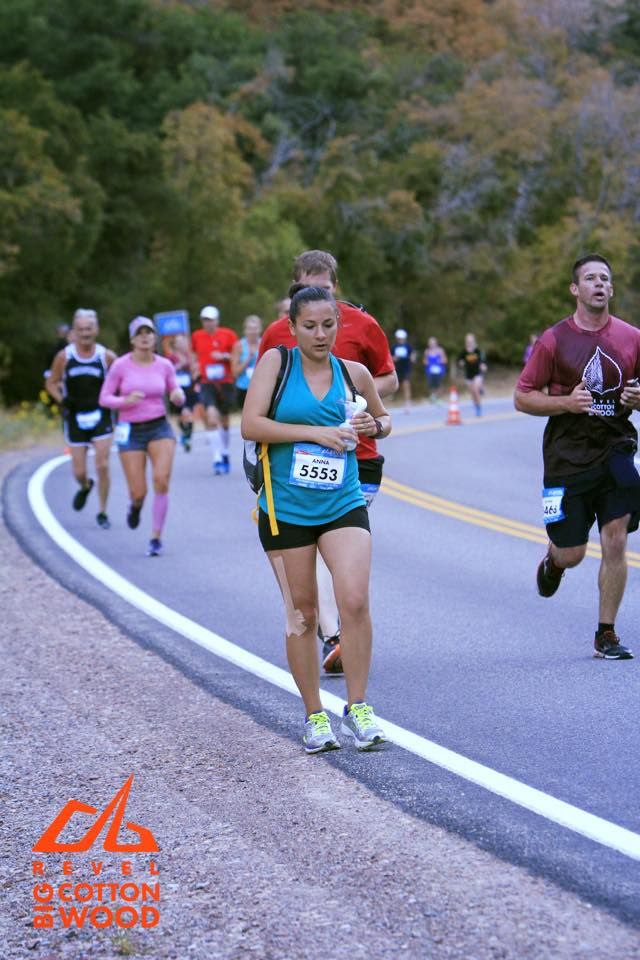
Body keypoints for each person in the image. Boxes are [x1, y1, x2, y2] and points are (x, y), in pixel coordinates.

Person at [242, 285, 392, 753]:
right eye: (310, 326)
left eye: (328, 325)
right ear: (292, 327)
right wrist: (315, 433)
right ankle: (314, 715)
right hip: (286, 506)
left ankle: (359, 706)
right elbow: (250, 425)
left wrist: (374, 426)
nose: (320, 334)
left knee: (354, 600)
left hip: (341, 500)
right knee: (303, 614)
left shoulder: (353, 373)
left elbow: (385, 421)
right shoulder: (277, 364)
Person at [258, 250, 398, 675]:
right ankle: (333, 636)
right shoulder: (276, 339)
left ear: (336, 289)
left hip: (357, 462)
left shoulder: (362, 328)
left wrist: (364, 411)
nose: (320, 331)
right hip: (289, 469)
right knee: (312, 556)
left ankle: (342, 639)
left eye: (322, 286)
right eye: (303, 288)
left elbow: (384, 380)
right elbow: (257, 410)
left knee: (340, 555)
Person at [514, 254, 640, 660]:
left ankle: (606, 632)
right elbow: (522, 396)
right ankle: (554, 561)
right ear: (575, 289)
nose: (599, 284)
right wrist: (567, 403)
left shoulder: (632, 338)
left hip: (616, 449)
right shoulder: (553, 340)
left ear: (612, 289)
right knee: (573, 552)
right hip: (567, 457)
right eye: (590, 278)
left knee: (616, 539)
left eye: (605, 278)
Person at [99, 316, 185, 557]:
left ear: (155, 337)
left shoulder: (164, 365)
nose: (145, 336)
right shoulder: (120, 366)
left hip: (159, 427)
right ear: (132, 339)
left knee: (161, 479)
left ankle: (156, 537)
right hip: (130, 430)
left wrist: (178, 396)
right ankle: (135, 506)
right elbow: (104, 398)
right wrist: (124, 401)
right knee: (139, 491)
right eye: (140, 333)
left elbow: (174, 389)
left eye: (149, 332)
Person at [46, 309, 116, 529]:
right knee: (79, 472)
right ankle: (86, 486)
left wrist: (118, 402)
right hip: (75, 417)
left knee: (102, 464)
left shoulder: (106, 356)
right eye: (80, 330)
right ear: (74, 332)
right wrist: (61, 399)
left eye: (89, 329)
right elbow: (51, 382)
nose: (85, 334)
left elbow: (122, 380)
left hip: (101, 415)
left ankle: (102, 512)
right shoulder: (64, 357)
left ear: (96, 330)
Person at [191, 305, 239, 474]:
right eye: (205, 320)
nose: (208, 323)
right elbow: (194, 357)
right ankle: (217, 457)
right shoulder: (197, 336)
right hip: (207, 382)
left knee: (224, 420)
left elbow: (237, 355)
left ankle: (225, 452)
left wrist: (224, 356)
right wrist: (195, 369)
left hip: (226, 381)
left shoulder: (229, 335)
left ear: (217, 320)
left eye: (210, 319)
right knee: (211, 417)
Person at [164, 333, 200, 451]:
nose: (181, 344)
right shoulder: (170, 357)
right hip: (177, 389)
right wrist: (180, 365)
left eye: (183, 341)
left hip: (189, 388)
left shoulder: (190, 356)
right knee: (181, 415)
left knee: (188, 413)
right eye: (179, 342)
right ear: (175, 344)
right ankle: (185, 435)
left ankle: (187, 438)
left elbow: (196, 368)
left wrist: (194, 369)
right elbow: (167, 371)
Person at [232, 314, 262, 409]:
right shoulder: (239, 345)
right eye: (250, 328)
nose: (252, 331)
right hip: (243, 387)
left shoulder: (264, 343)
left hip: (261, 387)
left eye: (255, 328)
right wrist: (248, 358)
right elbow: (235, 372)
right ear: (245, 330)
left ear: (260, 329)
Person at [458, 333, 487, 416]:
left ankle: (479, 408)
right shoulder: (464, 352)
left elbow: (483, 360)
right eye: (468, 341)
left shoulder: (478, 350)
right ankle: (476, 405)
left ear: (474, 341)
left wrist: (483, 365)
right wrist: (461, 363)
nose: (469, 342)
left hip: (477, 373)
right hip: (468, 375)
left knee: (475, 389)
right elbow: (459, 361)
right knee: (472, 393)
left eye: (471, 341)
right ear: (466, 342)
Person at [392, 329, 417, 412]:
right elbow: (390, 358)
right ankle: (392, 401)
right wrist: (394, 358)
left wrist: (412, 358)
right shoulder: (394, 347)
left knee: (406, 385)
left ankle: (407, 404)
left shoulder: (408, 346)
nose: (401, 340)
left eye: (402, 338)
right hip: (396, 369)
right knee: (395, 386)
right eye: (399, 338)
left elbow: (413, 356)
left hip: (406, 368)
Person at [423, 337, 448, 402]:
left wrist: (440, 361)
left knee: (439, 384)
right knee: (431, 385)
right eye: (430, 343)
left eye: (433, 343)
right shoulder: (427, 351)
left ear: (436, 343)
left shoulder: (440, 350)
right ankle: (434, 396)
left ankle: (438, 398)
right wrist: (427, 362)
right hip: (430, 371)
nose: (432, 344)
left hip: (439, 371)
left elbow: (445, 360)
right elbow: (424, 361)